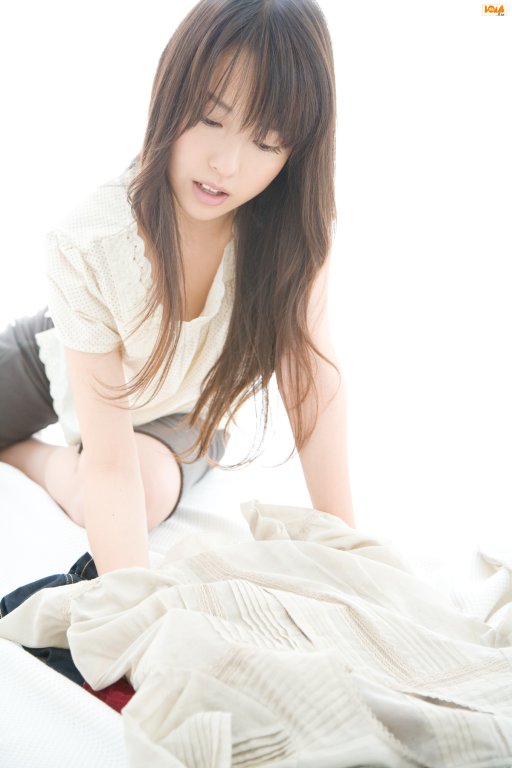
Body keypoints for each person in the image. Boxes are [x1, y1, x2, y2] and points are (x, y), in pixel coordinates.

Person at [0, 0, 354, 575]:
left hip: (185, 408)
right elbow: (104, 450)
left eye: (267, 143)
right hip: (59, 355)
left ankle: (25, 456)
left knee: (135, 497)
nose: (226, 164)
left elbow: (310, 379)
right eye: (210, 118)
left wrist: (346, 550)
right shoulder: (91, 240)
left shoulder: (296, 236)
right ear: (170, 90)